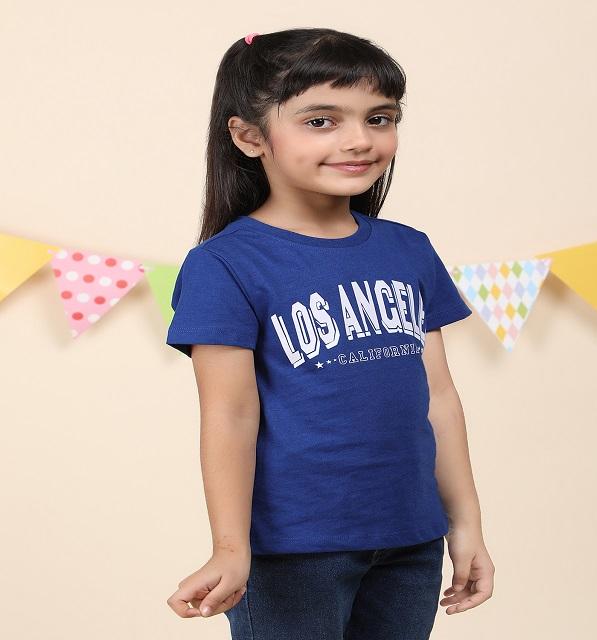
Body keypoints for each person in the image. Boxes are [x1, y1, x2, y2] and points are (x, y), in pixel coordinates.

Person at [165, 27, 495, 639]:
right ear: (249, 136)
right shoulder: (225, 265)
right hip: (294, 548)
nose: (360, 140)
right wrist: (230, 547)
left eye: (379, 118)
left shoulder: (408, 249)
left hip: (411, 538)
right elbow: (230, 415)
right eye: (321, 121)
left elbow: (439, 398)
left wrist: (465, 523)